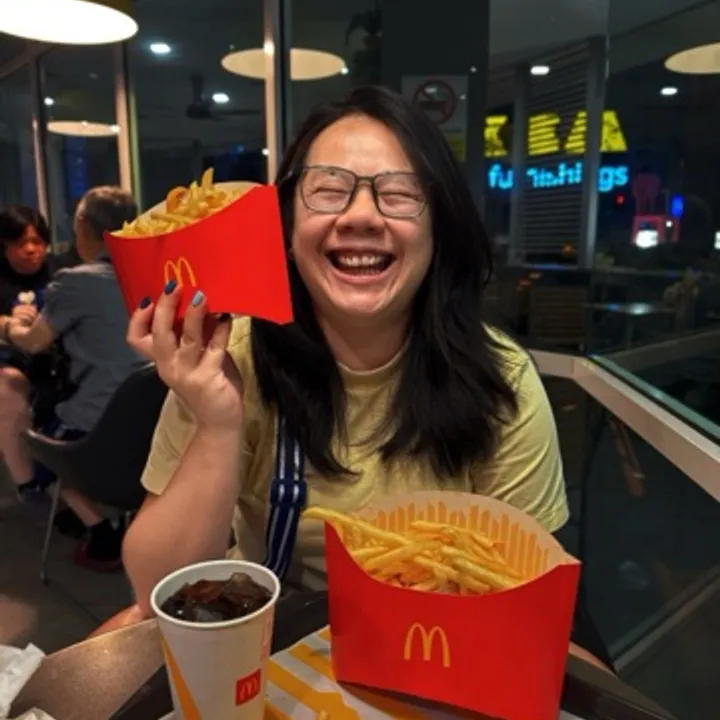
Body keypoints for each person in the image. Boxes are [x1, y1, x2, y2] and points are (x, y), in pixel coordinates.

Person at [0, 186, 144, 571]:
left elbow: (34, 342)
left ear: (82, 225)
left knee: (32, 441)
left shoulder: (76, 280)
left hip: (98, 419)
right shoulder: (154, 271)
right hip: (152, 419)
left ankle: (102, 531)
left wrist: (8, 326)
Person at [0, 205, 59, 496]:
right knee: (7, 385)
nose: (31, 249)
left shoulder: (62, 272)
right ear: (4, 245)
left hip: (58, 357)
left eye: (37, 241)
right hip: (10, 361)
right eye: (21, 243)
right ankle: (27, 484)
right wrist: (6, 323)